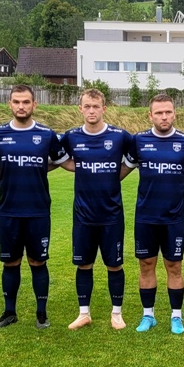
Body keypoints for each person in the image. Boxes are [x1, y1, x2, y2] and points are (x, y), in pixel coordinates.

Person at [0, 85, 64, 330]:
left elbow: (60, 160)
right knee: (11, 262)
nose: (21, 106)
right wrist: (2, 176)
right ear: (9, 104)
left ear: (34, 104)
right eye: (16, 101)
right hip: (9, 210)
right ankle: (9, 312)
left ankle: (41, 314)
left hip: (38, 211)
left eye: (26, 102)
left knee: (38, 262)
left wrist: (38, 168)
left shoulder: (46, 134)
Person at [59, 88, 133, 330]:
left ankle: (117, 313)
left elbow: (134, 157)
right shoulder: (71, 137)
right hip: (83, 215)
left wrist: (116, 175)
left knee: (115, 265)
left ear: (104, 108)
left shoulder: (120, 136)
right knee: (84, 264)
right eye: (87, 106)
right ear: (80, 109)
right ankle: (84, 313)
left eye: (96, 106)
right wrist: (80, 168)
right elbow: (58, 158)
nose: (91, 111)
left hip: (112, 214)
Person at [127, 93, 184, 334]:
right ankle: (148, 315)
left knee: (174, 266)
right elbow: (119, 172)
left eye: (168, 112)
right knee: (146, 265)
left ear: (174, 114)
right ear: (150, 115)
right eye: (159, 112)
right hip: (145, 217)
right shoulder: (139, 141)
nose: (164, 116)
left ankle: (176, 317)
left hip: (173, 218)